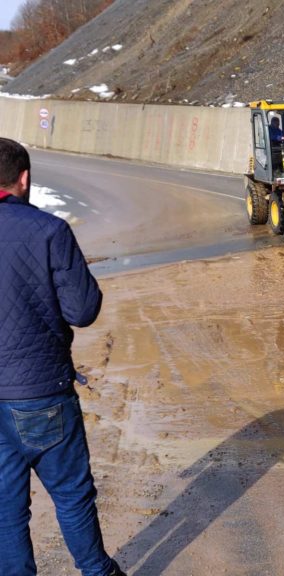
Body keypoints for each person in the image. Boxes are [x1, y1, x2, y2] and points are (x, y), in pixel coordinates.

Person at [0, 138, 125, 576]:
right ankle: (97, 571)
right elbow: (83, 310)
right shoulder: (50, 231)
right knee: (72, 496)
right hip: (41, 393)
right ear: (24, 179)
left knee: (5, 512)